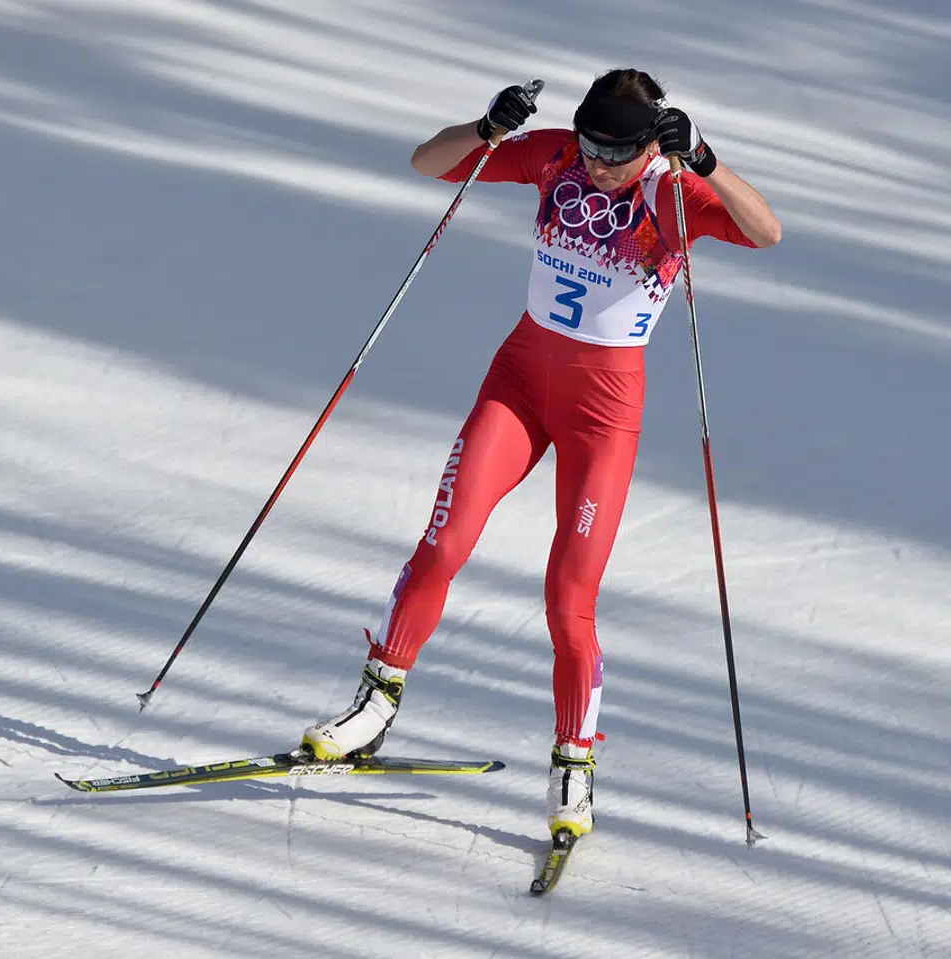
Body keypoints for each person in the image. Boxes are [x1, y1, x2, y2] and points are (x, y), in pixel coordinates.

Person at [300, 69, 781, 839]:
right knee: (443, 543)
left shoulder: (670, 192)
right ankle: (375, 704)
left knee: (568, 598)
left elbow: (765, 231)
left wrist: (707, 160)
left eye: (616, 153)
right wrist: (487, 127)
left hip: (604, 413)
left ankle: (573, 763)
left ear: (650, 143)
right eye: (591, 145)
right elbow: (429, 162)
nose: (599, 165)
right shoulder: (557, 157)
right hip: (520, 382)